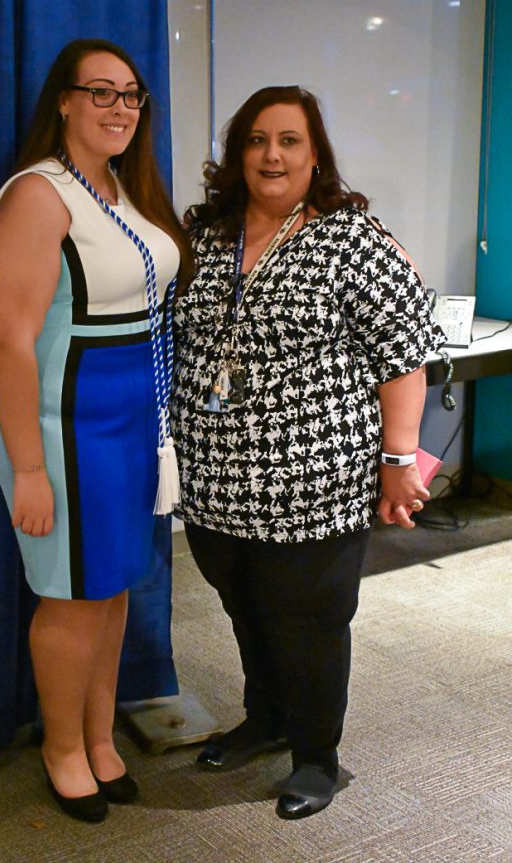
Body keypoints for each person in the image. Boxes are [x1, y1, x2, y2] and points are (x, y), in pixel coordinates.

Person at [172, 85, 445, 820]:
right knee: (246, 610)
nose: (271, 154)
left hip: (312, 483)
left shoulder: (350, 239)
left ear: (314, 152)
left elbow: (405, 357)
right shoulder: (205, 236)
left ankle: (317, 757)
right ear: (237, 154)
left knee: (310, 622)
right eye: (257, 139)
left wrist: (398, 460)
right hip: (214, 483)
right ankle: (267, 719)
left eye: (289, 140)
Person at [0, 38, 192, 823]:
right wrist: (28, 469)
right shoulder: (40, 194)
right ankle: (61, 749)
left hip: (134, 419)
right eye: (99, 92)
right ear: (62, 102)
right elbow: (7, 337)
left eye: (131, 95)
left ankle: (99, 738)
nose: (119, 109)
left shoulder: (119, 188)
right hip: (65, 426)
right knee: (72, 597)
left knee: (111, 589)